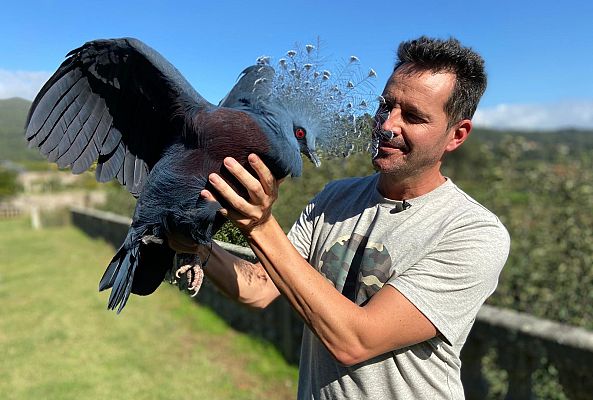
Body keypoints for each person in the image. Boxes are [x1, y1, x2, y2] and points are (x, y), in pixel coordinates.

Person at [170, 36, 510, 399]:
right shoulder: (335, 198)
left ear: (456, 135)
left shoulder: (473, 233)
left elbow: (355, 341)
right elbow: (260, 287)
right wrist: (190, 243)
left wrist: (258, 224)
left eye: (412, 116)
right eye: (385, 106)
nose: (387, 125)